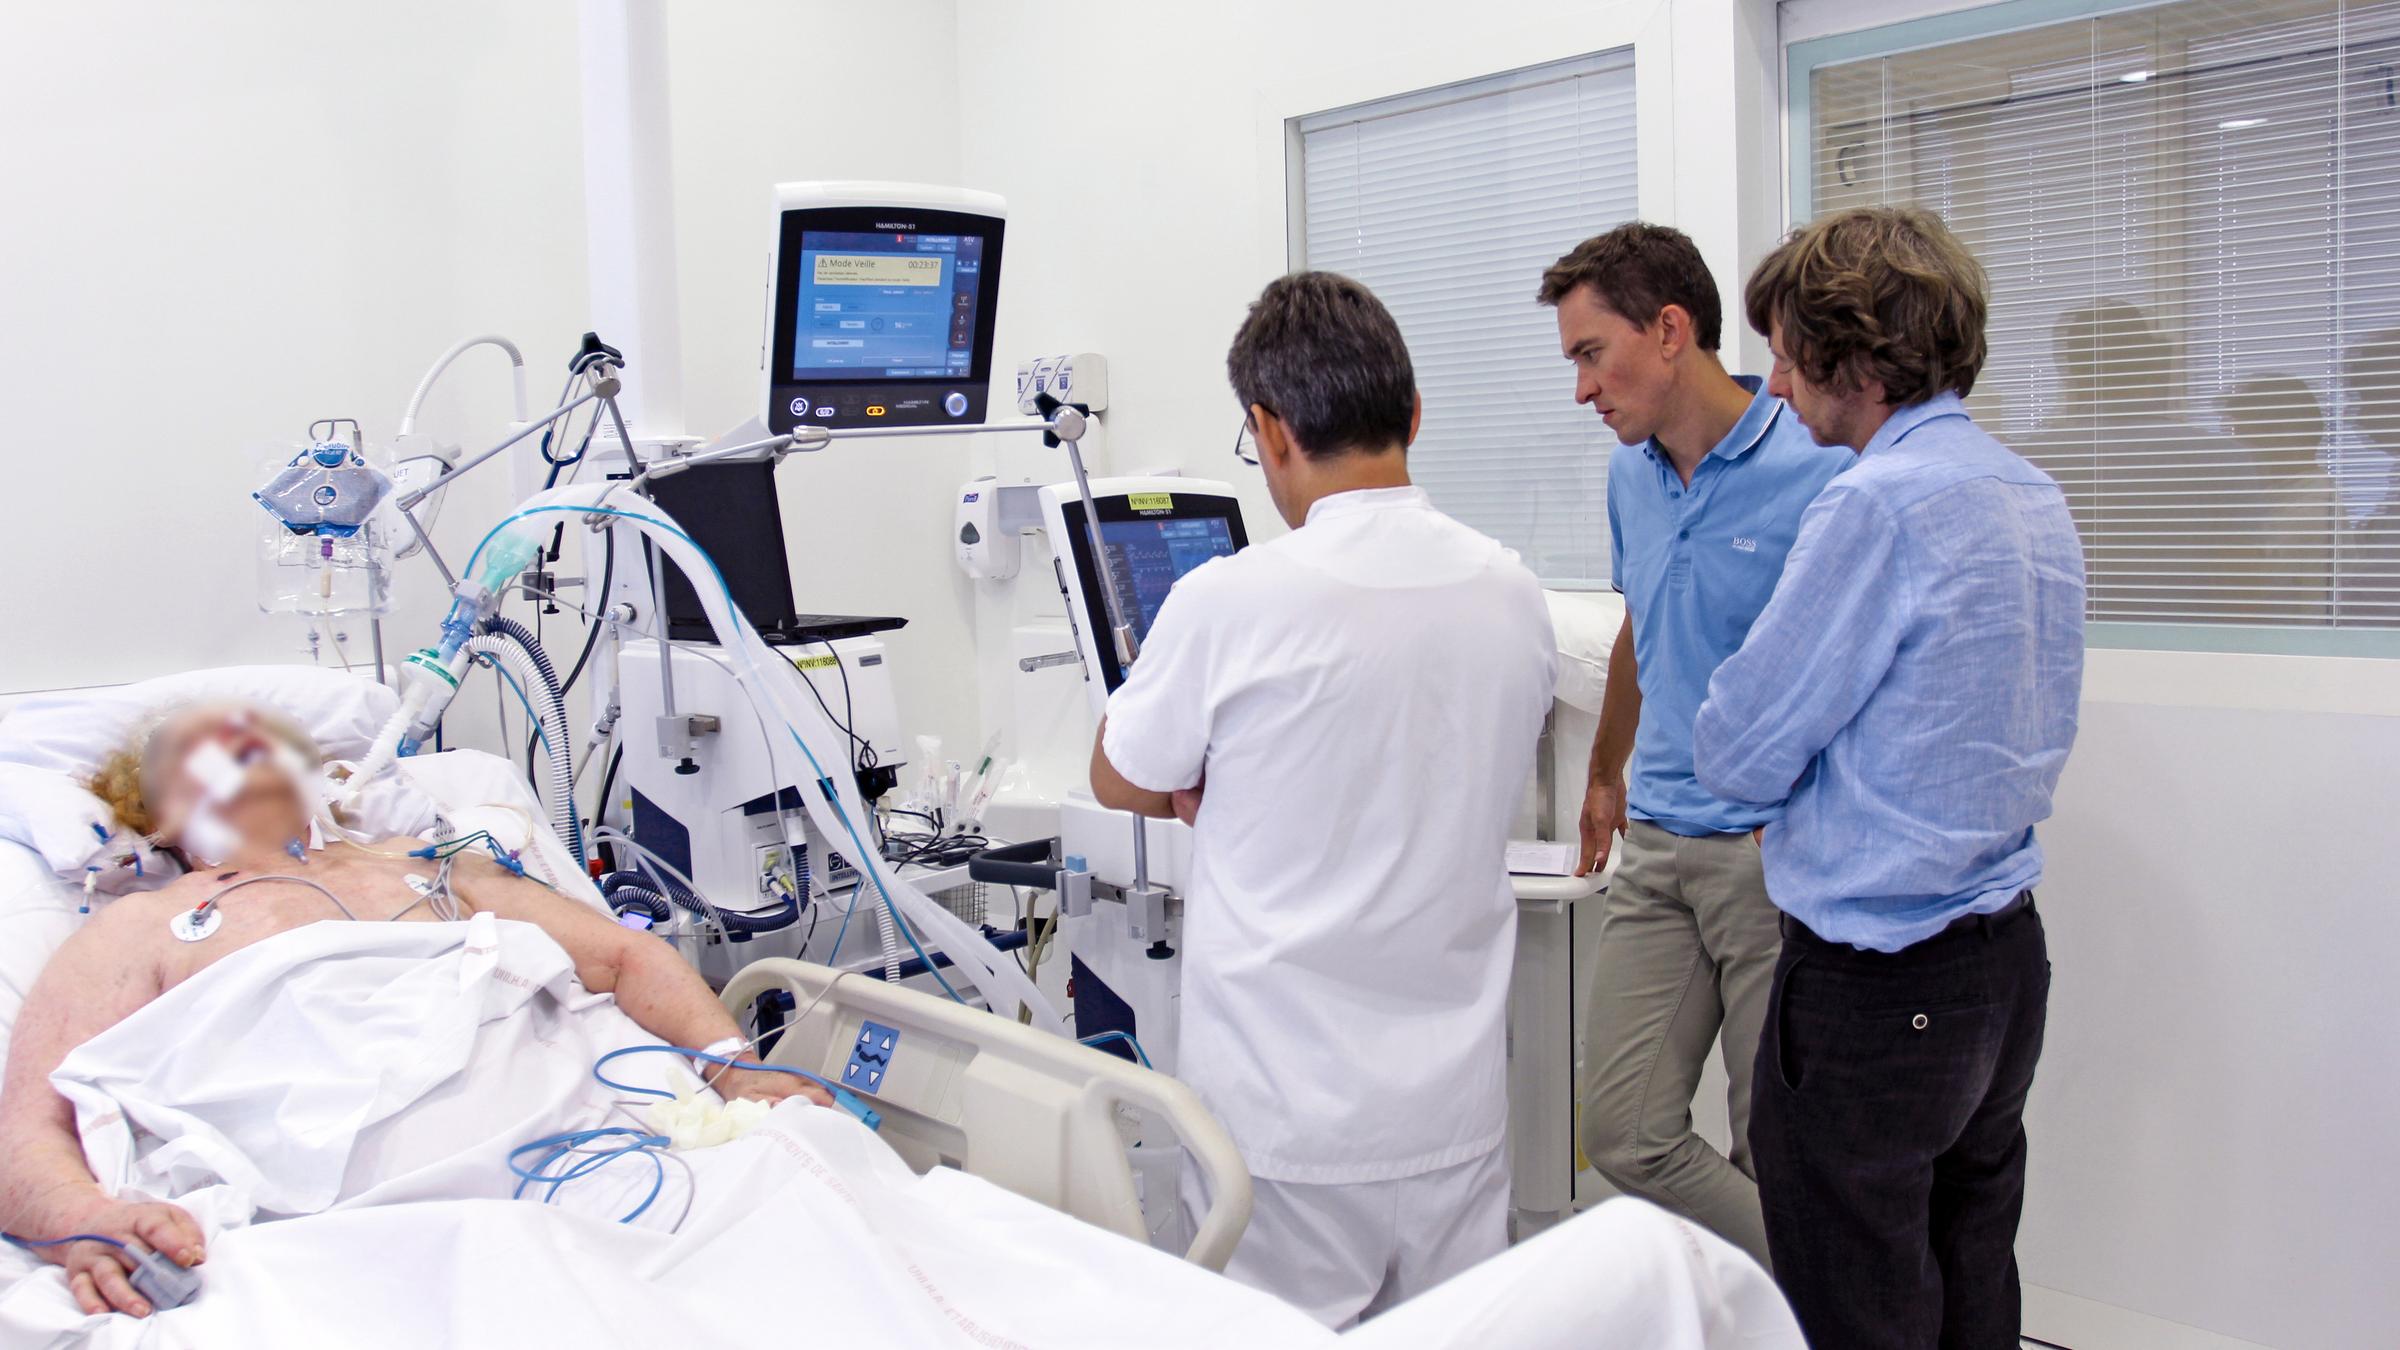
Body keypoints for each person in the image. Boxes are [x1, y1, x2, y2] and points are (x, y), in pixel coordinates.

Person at [0, 702, 829, 1320]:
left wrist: (737, 1068)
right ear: (157, 812)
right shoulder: (141, 925)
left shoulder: (431, 865)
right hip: (355, 1233)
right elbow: (28, 1129)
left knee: (806, 1236)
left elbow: (625, 956)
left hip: (594, 1167)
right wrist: (89, 1223)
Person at [1087, 271, 1556, 1327]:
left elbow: (1123, 775)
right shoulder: (1510, 588)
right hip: (1454, 1110)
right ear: (1415, 414)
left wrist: (1211, 774)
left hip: (1284, 1123)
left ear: (1270, 427)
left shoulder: (1230, 598)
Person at [1692, 205, 2085, 1350]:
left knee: (1858, 1306)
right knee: (1971, 1280)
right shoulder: (2030, 493)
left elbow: (1736, 749)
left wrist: (1792, 785)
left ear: (1852, 355)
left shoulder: (1874, 506)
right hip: (2001, 963)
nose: (1770, 385)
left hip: (1876, 988)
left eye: (1783, 351)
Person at [1534, 222, 1850, 1268]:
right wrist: (1606, 770)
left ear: (1671, 331)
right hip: (1661, 845)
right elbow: (1643, 617)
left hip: (1773, 858)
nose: (1582, 389)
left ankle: (1811, 1303)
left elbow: (1857, 664)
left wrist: (1809, 811)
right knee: (1623, 1130)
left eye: (1591, 353)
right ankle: (1830, 1284)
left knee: (1779, 1150)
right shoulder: (1632, 474)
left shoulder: (1818, 463)